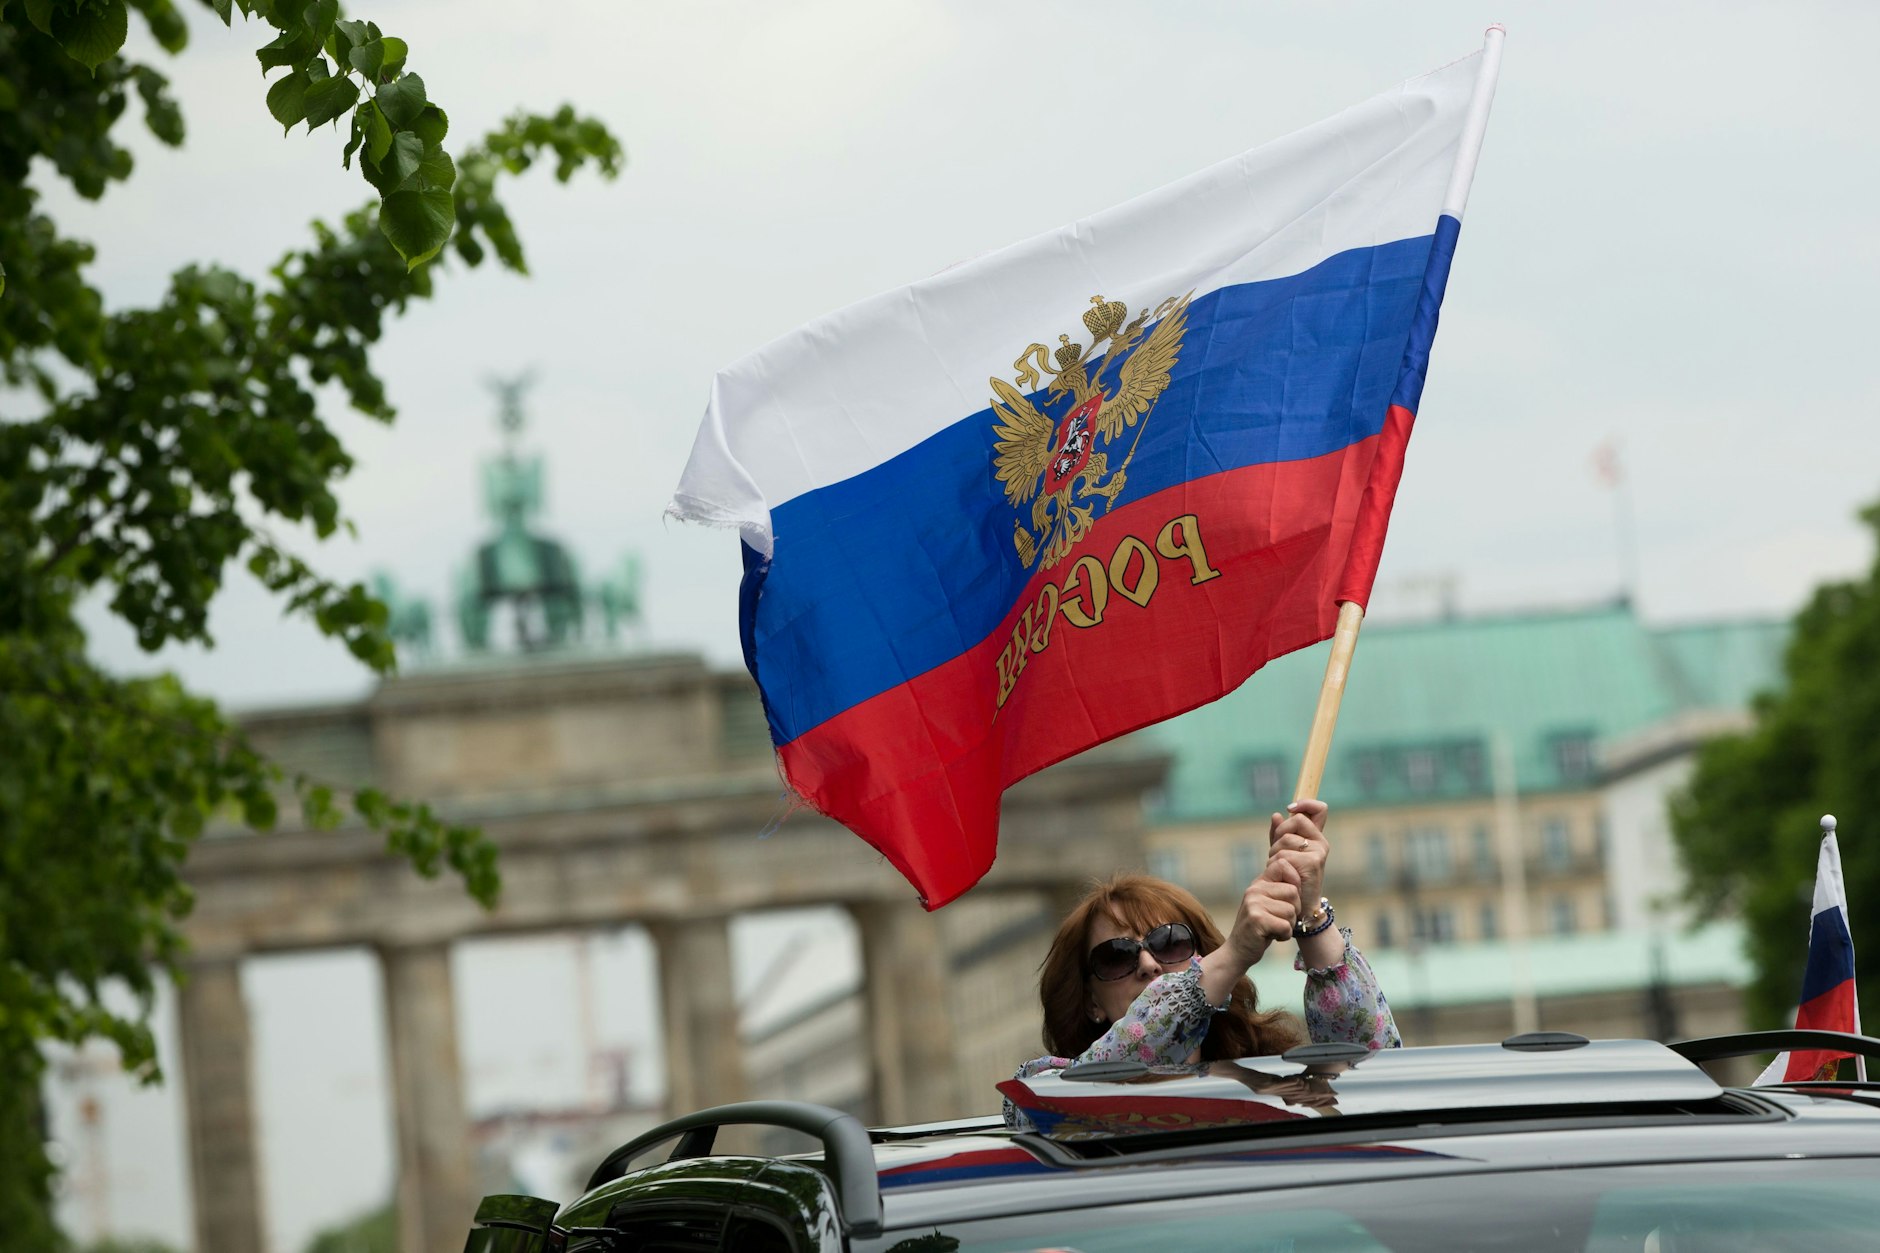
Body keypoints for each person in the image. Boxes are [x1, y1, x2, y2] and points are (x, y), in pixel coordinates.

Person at [1005, 799, 1397, 1128]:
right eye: (1116, 956)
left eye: (1170, 942)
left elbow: (1378, 1072)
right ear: (1090, 1000)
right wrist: (1237, 951)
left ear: (1199, 955)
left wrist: (1310, 913)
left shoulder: (1277, 1078)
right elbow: (1039, 1113)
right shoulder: (1047, 1089)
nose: (1148, 963)